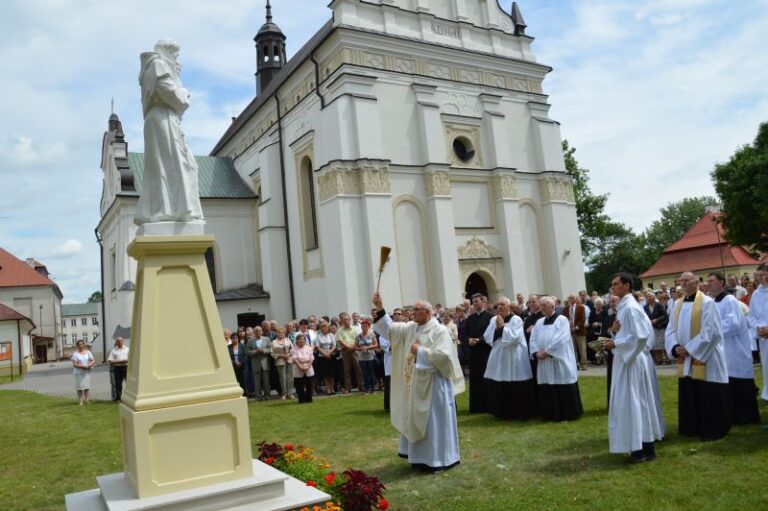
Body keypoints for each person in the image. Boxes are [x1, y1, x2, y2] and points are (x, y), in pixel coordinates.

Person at [372, 292, 465, 473]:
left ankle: (439, 459)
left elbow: (444, 357)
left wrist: (420, 351)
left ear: (428, 313)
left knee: (434, 423)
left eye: (417, 310)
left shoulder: (439, 330)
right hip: (415, 383)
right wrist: (380, 307)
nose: (412, 313)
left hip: (434, 384)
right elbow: (390, 330)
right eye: (412, 309)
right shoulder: (412, 328)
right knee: (415, 418)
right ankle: (420, 458)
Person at [136, 40, 203, 227]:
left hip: (162, 119)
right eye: (176, 55)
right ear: (168, 52)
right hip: (163, 119)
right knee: (170, 163)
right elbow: (172, 95)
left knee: (172, 163)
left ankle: (171, 209)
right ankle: (166, 211)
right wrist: (184, 93)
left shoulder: (153, 66)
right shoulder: (157, 65)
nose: (177, 60)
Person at [604, 273, 664, 463]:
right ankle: (636, 446)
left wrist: (616, 344)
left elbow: (640, 337)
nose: (612, 287)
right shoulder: (624, 307)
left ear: (627, 285)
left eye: (616, 284)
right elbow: (627, 334)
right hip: (626, 359)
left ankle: (644, 449)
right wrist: (614, 334)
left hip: (632, 361)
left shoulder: (630, 308)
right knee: (629, 404)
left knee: (636, 402)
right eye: (612, 285)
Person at [665, 271, 731, 441]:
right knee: (690, 392)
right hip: (685, 357)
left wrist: (690, 349)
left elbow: (712, 332)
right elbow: (670, 330)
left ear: (696, 282)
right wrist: (675, 347)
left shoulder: (707, 303)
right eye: (681, 281)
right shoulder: (677, 304)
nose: (684, 283)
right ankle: (690, 427)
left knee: (708, 394)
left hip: (706, 356)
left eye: (687, 280)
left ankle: (713, 429)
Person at [707, 272, 760, 424]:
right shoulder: (714, 301)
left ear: (721, 283)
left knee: (739, 383)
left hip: (735, 348)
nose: (709, 284)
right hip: (723, 349)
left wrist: (712, 331)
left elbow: (733, 325)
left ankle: (745, 417)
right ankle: (732, 415)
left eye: (712, 281)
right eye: (708, 281)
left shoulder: (729, 300)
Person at [529, 296, 583, 421]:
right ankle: (550, 414)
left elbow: (561, 338)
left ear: (553, 306)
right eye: (541, 305)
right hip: (543, 360)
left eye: (545, 305)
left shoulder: (562, 320)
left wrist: (548, 352)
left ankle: (567, 413)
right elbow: (533, 338)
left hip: (558, 359)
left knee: (561, 383)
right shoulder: (539, 322)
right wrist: (536, 352)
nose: (542, 307)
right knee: (547, 385)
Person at [483, 296, 536, 420]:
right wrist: (498, 329)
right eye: (498, 305)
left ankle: (519, 412)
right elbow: (487, 336)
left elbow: (515, 337)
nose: (499, 307)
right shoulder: (494, 319)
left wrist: (502, 328)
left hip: (514, 355)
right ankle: (502, 411)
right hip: (500, 355)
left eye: (502, 304)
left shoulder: (516, 319)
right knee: (501, 381)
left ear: (509, 307)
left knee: (516, 382)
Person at [463, 293, 493, 413]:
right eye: (473, 302)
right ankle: (477, 406)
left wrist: (479, 339)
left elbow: (491, 333)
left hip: (486, 352)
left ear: (484, 302)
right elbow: (464, 334)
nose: (475, 303)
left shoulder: (491, 317)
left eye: (477, 301)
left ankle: (489, 405)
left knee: (487, 378)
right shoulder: (470, 318)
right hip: (474, 353)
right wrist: (468, 339)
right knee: (475, 379)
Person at [748, 263, 768, 402]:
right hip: (764, 338)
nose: (760, 278)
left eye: (763, 275)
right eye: (758, 275)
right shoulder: (756, 293)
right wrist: (759, 328)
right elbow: (751, 315)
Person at [337, 312, 364, 394]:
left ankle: (361, 385)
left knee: (358, 368)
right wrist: (348, 347)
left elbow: (357, 339)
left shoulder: (354, 329)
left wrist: (352, 347)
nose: (347, 321)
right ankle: (348, 387)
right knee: (346, 370)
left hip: (354, 350)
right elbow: (340, 341)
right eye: (345, 319)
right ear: (342, 320)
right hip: (345, 351)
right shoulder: (340, 330)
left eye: (348, 319)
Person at [563, 294, 589, 371]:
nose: (571, 299)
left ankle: (583, 364)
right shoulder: (566, 309)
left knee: (582, 348)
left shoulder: (580, 307)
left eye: (573, 298)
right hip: (569, 331)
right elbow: (564, 319)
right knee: (572, 349)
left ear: (576, 299)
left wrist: (576, 327)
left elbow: (582, 319)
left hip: (579, 331)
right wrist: (568, 327)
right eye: (570, 298)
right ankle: (575, 364)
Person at [247, 326, 272, 401]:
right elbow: (248, 352)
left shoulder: (267, 339)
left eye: (260, 331)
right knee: (257, 382)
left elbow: (271, 349)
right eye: (256, 331)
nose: (258, 332)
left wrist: (263, 351)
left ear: (262, 331)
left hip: (265, 363)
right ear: (254, 332)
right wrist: (256, 351)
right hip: (255, 363)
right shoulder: (250, 341)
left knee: (266, 381)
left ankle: (267, 396)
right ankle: (258, 397)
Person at [644, 292, 669, 365]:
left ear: (653, 297)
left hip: (660, 327)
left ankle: (666, 359)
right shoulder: (645, 307)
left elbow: (664, 316)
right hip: (651, 328)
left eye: (649, 297)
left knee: (662, 344)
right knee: (654, 345)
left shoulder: (659, 305)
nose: (648, 298)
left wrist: (657, 320)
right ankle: (658, 360)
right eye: (647, 297)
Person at [356, 319, 379, 394]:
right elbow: (355, 347)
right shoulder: (358, 336)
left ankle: (373, 389)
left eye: (366, 326)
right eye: (363, 326)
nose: (364, 328)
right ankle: (366, 389)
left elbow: (376, 345)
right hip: (362, 358)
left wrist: (368, 348)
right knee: (364, 374)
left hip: (370, 357)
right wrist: (361, 348)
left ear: (369, 327)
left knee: (372, 373)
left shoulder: (372, 334)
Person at [291, 334, 315, 404]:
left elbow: (312, 358)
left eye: (303, 339)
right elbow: (295, 359)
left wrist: (307, 367)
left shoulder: (309, 348)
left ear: (305, 340)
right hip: (298, 368)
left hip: (308, 367)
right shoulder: (293, 349)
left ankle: (309, 399)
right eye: (300, 339)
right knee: (299, 386)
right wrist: (301, 367)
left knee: (309, 385)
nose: (301, 340)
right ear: (297, 340)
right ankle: (301, 400)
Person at [271, 328, 294, 400]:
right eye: (279, 333)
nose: (281, 334)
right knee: (282, 378)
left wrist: (288, 354)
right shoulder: (273, 342)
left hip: (289, 360)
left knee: (290, 377)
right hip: (280, 361)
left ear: (284, 333)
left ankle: (290, 393)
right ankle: (284, 394)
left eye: (282, 333)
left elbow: (293, 349)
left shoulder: (288, 340)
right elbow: (272, 353)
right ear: (277, 333)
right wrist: (281, 355)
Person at [315, 321, 337, 396]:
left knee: (332, 373)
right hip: (322, 357)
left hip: (331, 356)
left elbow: (334, 345)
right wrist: (324, 354)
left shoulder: (331, 335)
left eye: (326, 327)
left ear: (328, 328)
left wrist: (329, 353)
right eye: (323, 327)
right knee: (326, 373)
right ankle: (328, 388)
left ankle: (332, 388)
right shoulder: (318, 336)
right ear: (321, 328)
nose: (325, 328)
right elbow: (317, 347)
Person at [71, 340, 95, 405]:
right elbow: (74, 364)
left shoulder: (88, 352)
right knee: (79, 387)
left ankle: (87, 400)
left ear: (84, 345)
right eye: (79, 344)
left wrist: (89, 365)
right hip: (78, 372)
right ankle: (81, 400)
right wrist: (83, 366)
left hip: (86, 372)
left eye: (81, 344)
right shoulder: (75, 354)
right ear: (77, 346)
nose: (80, 345)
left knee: (86, 387)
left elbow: (93, 360)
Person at [107, 337, 129, 402]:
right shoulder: (113, 351)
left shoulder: (127, 349)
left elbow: (131, 358)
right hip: (117, 368)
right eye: (118, 341)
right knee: (118, 384)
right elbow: (110, 361)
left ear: (123, 341)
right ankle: (118, 398)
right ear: (116, 342)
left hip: (126, 367)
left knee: (128, 383)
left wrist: (125, 361)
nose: (120, 342)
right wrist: (120, 361)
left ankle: (128, 397)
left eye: (121, 341)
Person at [229, 328, 247, 396]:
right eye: (233, 338)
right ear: (231, 339)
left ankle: (245, 394)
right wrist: (235, 363)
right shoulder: (228, 347)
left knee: (243, 381)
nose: (235, 339)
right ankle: (237, 394)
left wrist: (240, 363)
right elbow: (228, 357)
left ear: (238, 338)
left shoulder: (242, 346)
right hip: (234, 367)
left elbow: (246, 356)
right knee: (236, 380)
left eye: (236, 337)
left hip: (242, 366)